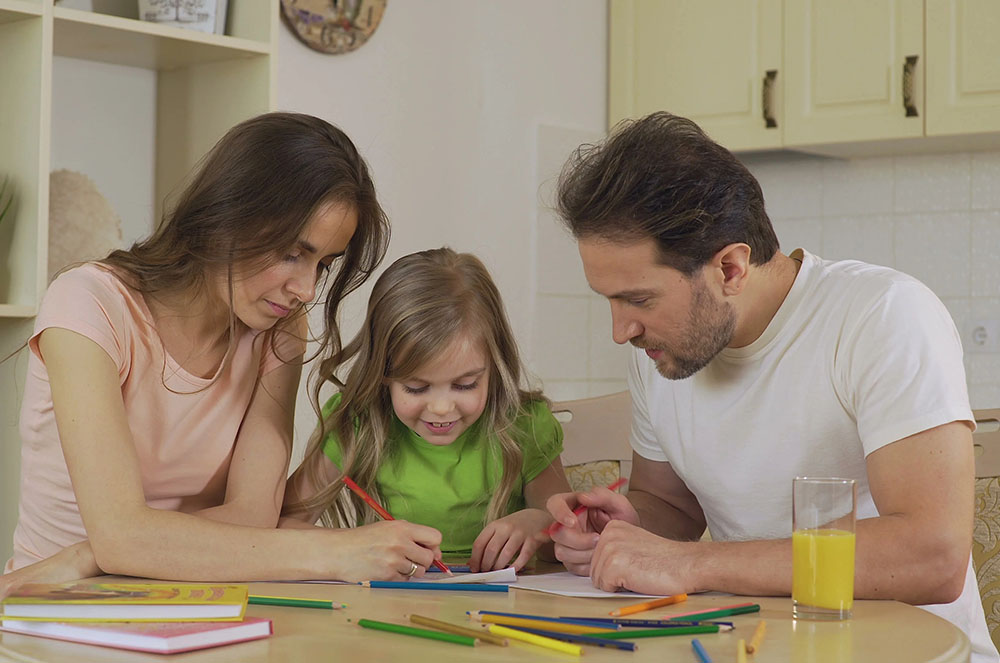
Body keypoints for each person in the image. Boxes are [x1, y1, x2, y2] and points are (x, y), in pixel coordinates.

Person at [545, 111, 997, 661]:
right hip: (762, 648)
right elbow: (669, 503)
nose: (622, 332)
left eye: (639, 300)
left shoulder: (882, 316)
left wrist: (689, 564)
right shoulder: (661, 352)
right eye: (610, 301)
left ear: (731, 269)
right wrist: (626, 530)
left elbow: (934, 556)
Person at [1, 112, 446, 593]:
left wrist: (92, 554)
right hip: (56, 605)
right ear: (229, 213)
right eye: (293, 253)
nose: (305, 288)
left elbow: (252, 514)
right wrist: (341, 551)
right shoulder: (88, 304)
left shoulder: (278, 332)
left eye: (323, 263)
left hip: (194, 597)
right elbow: (123, 536)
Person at [282, 247, 570, 572]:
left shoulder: (526, 425)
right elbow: (281, 526)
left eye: (465, 385)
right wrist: (351, 547)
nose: (442, 408)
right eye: (416, 388)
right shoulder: (358, 423)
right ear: (383, 376)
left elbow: (563, 549)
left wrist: (538, 523)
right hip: (391, 610)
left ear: (495, 365)